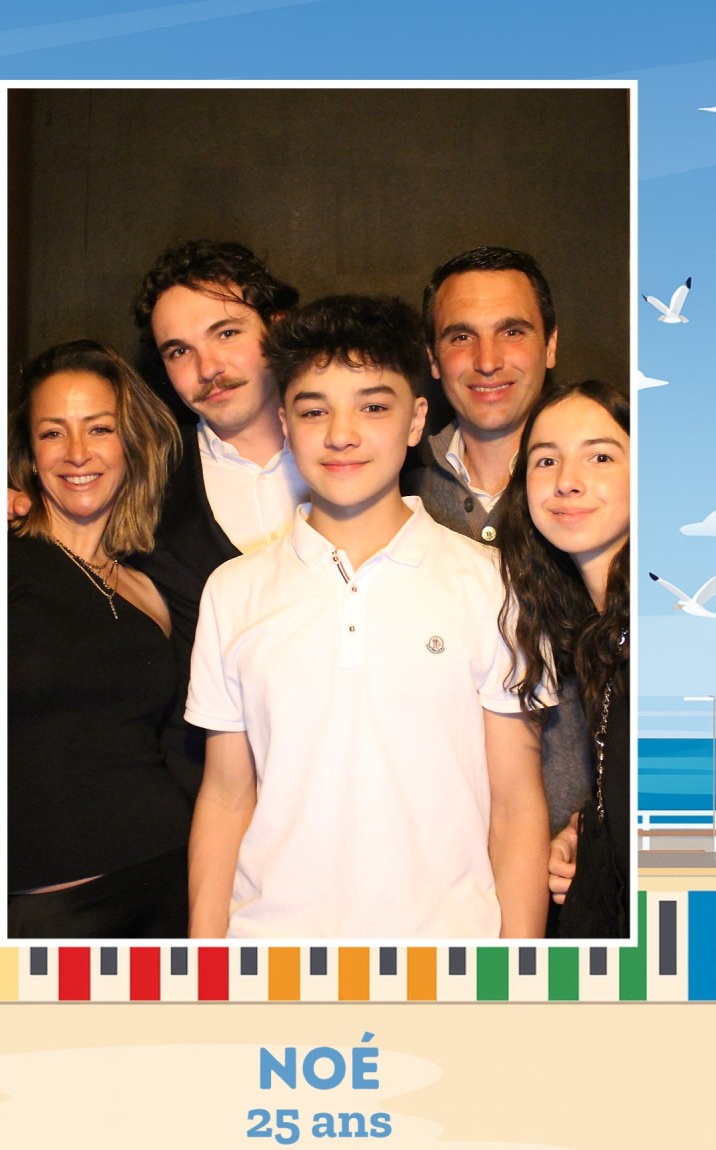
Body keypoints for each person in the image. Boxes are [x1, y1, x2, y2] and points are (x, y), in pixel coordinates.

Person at [185, 294, 550, 939]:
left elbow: (517, 806)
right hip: (269, 957)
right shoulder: (232, 592)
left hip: (447, 961)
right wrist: (204, 963)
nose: (341, 434)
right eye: (314, 410)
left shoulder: (493, 583)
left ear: (416, 420)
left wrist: (518, 975)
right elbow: (225, 797)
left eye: (373, 407)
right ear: (285, 422)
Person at [404, 245, 592, 844]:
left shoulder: (606, 489)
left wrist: (599, 824)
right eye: (461, 337)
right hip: (434, 862)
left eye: (512, 331)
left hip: (585, 858)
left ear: (551, 344)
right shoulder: (390, 486)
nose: (487, 361)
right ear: (433, 358)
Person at [8, 339, 191, 937]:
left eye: (100, 428)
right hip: (45, 911)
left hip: (167, 880)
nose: (77, 453)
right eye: (52, 433)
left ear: (129, 443)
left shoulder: (150, 590)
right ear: (30, 453)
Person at [130, 240, 307, 798]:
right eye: (179, 351)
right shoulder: (142, 487)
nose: (208, 369)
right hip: (204, 797)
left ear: (277, 327)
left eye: (226, 333)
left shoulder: (368, 457)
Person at [498, 380, 630, 938]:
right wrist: (595, 829)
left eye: (600, 457)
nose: (567, 481)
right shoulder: (602, 639)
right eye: (546, 460)